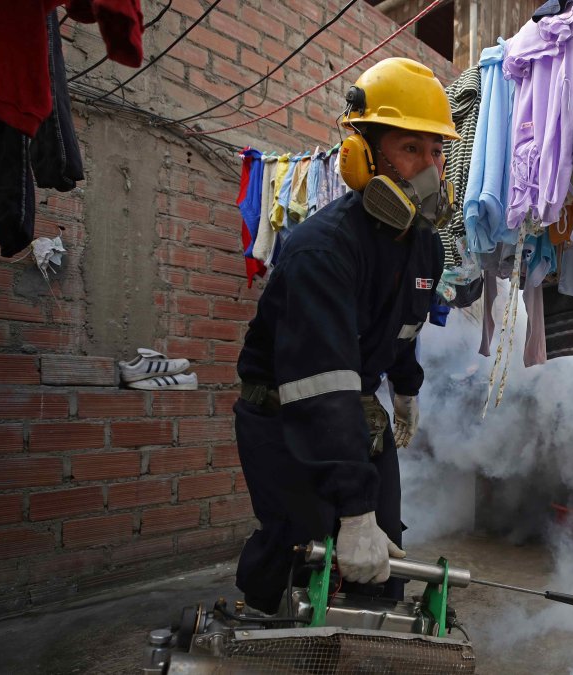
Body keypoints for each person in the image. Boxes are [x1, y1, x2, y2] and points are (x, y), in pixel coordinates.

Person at [233, 57, 459, 613]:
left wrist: (405, 390)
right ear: (362, 155)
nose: (429, 170)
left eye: (436, 152)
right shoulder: (321, 249)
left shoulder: (423, 245)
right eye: (411, 149)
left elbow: (402, 330)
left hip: (351, 409)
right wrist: (354, 514)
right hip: (287, 415)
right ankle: (261, 633)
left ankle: (369, 638)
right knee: (303, 552)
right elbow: (319, 386)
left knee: (383, 562)